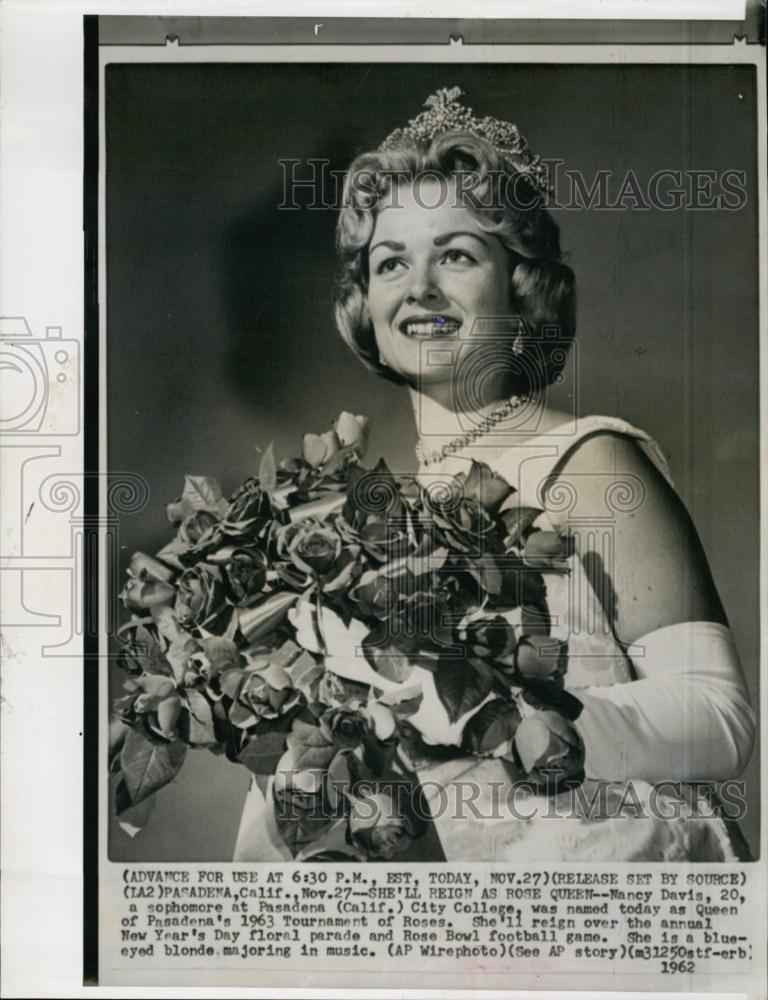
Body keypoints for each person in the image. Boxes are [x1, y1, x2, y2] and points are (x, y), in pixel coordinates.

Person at [324, 86, 756, 861]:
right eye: (391, 262)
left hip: (589, 873)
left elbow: (719, 716)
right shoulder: (366, 514)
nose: (418, 288)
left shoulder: (589, 461)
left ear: (520, 289)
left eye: (455, 255)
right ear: (366, 306)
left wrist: (515, 718)